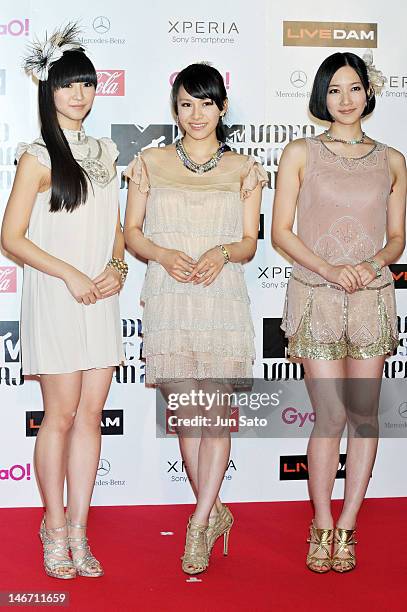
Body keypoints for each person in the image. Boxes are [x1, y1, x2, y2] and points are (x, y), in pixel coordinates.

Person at [124, 63, 267, 574]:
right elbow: (133, 233)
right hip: (169, 296)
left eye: (206, 103)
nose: (197, 113)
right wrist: (161, 255)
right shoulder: (149, 162)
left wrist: (224, 253)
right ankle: (213, 513)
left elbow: (251, 242)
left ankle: (199, 521)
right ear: (175, 109)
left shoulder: (245, 170)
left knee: (215, 415)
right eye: (186, 104)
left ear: (222, 107)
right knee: (187, 415)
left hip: (220, 300)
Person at [272, 51, 406, 573]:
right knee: (329, 415)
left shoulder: (392, 159)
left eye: (354, 88)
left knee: (365, 415)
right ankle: (322, 523)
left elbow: (396, 238)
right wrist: (330, 270)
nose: (345, 100)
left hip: (371, 295)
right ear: (320, 96)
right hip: (316, 293)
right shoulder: (299, 152)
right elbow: (282, 229)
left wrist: (370, 262)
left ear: (368, 93)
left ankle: (348, 526)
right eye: (334, 90)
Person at [1, 24, 126, 579]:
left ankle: (79, 529)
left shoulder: (106, 149)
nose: (79, 95)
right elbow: (12, 236)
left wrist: (117, 266)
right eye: (67, 85)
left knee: (92, 416)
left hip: (100, 295)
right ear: (48, 92)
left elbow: (115, 226)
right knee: (62, 413)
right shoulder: (36, 155)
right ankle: (53, 528)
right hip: (56, 294)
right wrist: (72, 275)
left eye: (87, 85)